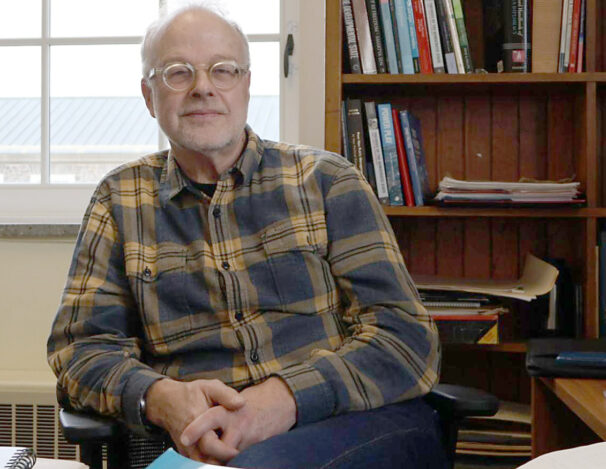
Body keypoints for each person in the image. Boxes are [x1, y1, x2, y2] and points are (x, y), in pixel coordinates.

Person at [47, 3, 444, 468]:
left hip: (347, 424)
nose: (202, 88)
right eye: (178, 73)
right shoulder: (119, 200)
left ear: (247, 85)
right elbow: (80, 351)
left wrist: (280, 401)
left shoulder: (327, 181)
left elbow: (406, 339)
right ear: (149, 96)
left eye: (223, 70)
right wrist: (158, 396)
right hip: (198, 444)